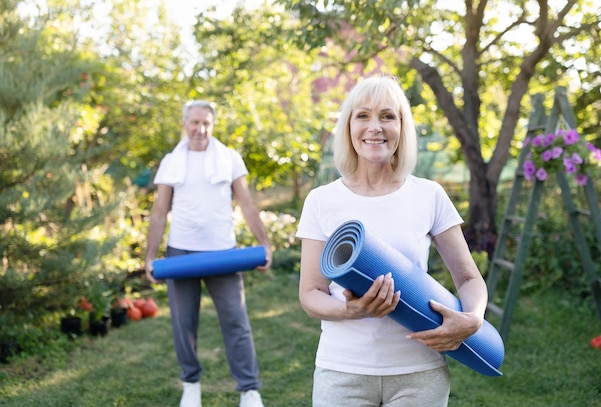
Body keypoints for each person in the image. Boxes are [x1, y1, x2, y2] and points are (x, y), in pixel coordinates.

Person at [296, 76, 488, 407]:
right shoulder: (321, 200)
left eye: (388, 116)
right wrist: (350, 310)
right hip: (342, 371)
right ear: (348, 126)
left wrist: (473, 317)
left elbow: (468, 277)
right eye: (363, 116)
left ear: (402, 127)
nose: (375, 127)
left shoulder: (429, 195)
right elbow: (310, 293)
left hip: (419, 372)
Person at [144, 100, 272, 407]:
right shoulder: (170, 161)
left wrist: (264, 243)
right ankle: (191, 385)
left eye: (206, 123)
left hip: (222, 254)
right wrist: (150, 256)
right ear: (185, 124)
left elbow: (247, 204)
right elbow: (159, 213)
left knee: (236, 322)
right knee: (183, 324)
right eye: (195, 123)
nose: (200, 129)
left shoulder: (229, 158)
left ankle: (249, 390)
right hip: (180, 254)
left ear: (212, 125)